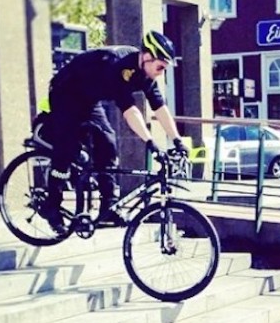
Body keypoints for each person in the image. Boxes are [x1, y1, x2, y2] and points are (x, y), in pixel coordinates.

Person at [40, 30, 188, 233]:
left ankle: (108, 208)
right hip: (65, 92)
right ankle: (51, 206)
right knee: (67, 147)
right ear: (147, 56)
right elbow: (130, 112)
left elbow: (160, 107)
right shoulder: (117, 64)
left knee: (108, 142)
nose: (162, 72)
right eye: (161, 66)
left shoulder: (146, 75)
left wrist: (178, 141)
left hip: (89, 100)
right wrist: (150, 143)